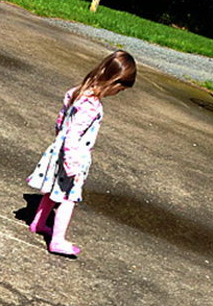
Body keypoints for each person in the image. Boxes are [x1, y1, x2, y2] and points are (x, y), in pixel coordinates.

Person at [26, 50, 136, 257]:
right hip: (73, 156)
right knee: (68, 199)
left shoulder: (77, 92)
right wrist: (72, 164)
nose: (117, 94)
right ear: (113, 82)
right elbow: (73, 135)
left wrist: (59, 143)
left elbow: (61, 121)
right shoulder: (91, 106)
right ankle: (57, 240)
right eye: (119, 89)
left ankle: (39, 223)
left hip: (60, 150)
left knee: (54, 191)